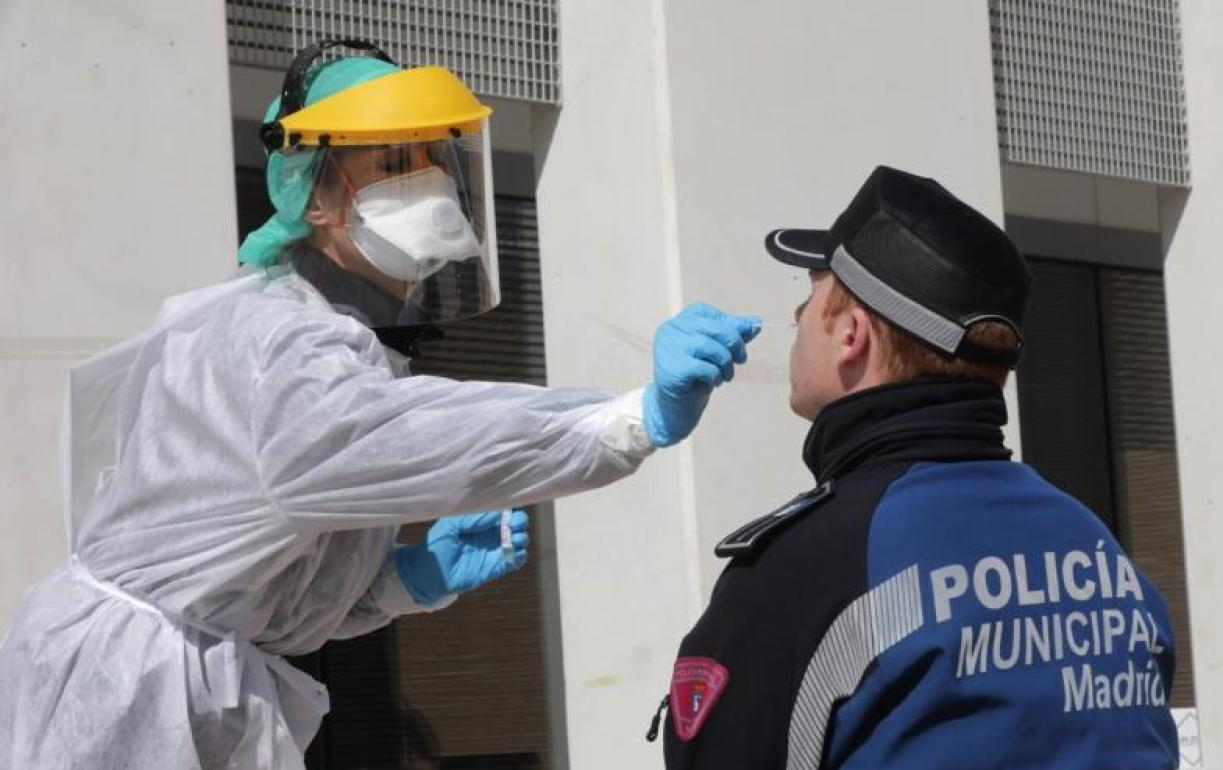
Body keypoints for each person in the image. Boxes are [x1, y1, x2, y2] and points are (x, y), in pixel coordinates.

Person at [0, 40, 762, 769]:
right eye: (393, 163)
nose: (428, 181)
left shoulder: (332, 336)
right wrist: (623, 421)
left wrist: (399, 580)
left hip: (180, 682)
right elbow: (402, 437)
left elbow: (260, 578)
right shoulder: (281, 344)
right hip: (128, 695)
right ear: (316, 197)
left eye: (434, 158)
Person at [654, 166, 1180, 769]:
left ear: (851, 336)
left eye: (810, 298)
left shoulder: (805, 571)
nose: (796, 316)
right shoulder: (1096, 546)